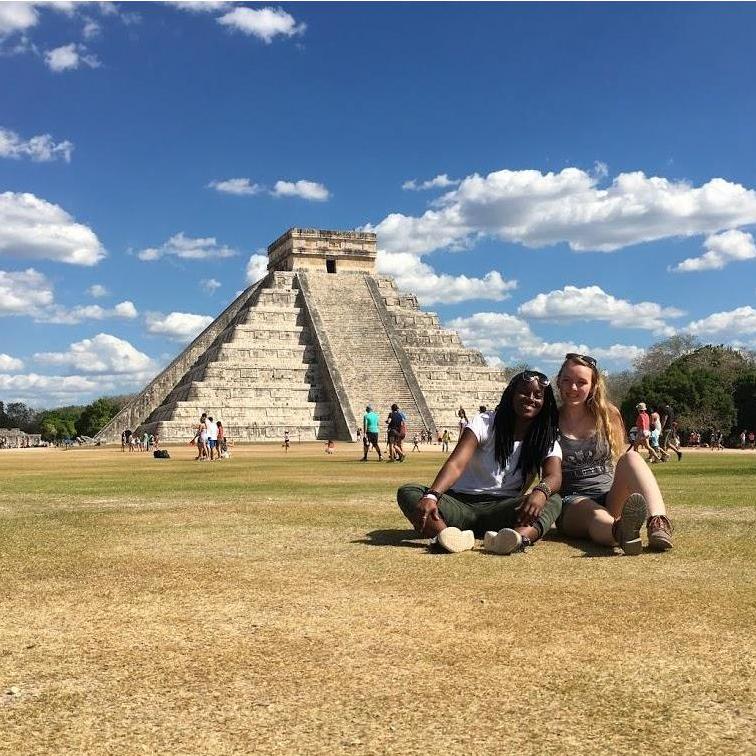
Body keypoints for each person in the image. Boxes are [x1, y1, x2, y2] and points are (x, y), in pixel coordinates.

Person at [397, 370, 563, 555]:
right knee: (409, 492)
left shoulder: (545, 437)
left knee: (553, 499)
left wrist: (541, 492)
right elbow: (456, 463)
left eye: (538, 396)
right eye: (524, 392)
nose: (530, 398)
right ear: (511, 394)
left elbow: (554, 475)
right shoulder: (485, 422)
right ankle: (448, 537)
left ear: (545, 402)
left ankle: (515, 539)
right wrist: (432, 496)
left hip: (503, 508)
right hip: (460, 504)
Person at [557, 353, 673, 553]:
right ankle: (620, 531)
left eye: (581, 382)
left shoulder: (608, 415)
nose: (573, 388)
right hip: (573, 501)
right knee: (595, 514)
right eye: (567, 380)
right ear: (558, 382)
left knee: (632, 457)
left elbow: (619, 458)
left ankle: (658, 522)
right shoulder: (548, 422)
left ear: (593, 386)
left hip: (610, 495)